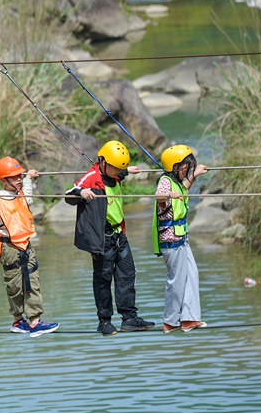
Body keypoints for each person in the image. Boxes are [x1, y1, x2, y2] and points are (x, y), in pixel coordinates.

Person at [65, 141, 155, 337]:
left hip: (119, 235)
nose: (117, 172)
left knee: (127, 274)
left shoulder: (114, 173)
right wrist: (81, 192)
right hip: (102, 238)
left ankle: (129, 318)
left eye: (120, 168)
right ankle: (104, 321)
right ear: (103, 162)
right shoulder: (92, 178)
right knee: (103, 279)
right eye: (115, 167)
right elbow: (69, 195)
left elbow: (118, 172)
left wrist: (127, 170)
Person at [0, 157, 59, 338]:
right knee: (15, 285)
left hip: (26, 245)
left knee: (32, 282)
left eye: (20, 176)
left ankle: (35, 321)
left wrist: (29, 178)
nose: (18, 179)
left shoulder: (21, 194)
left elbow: (28, 198)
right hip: (9, 248)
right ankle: (18, 321)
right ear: (3, 180)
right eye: (14, 177)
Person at [154, 145, 209, 334]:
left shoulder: (176, 182)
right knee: (177, 281)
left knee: (192, 275)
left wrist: (196, 175)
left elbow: (184, 188)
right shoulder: (165, 182)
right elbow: (159, 196)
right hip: (171, 243)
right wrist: (168, 194)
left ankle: (188, 319)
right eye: (185, 166)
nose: (187, 169)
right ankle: (170, 321)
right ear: (174, 165)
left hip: (182, 241)